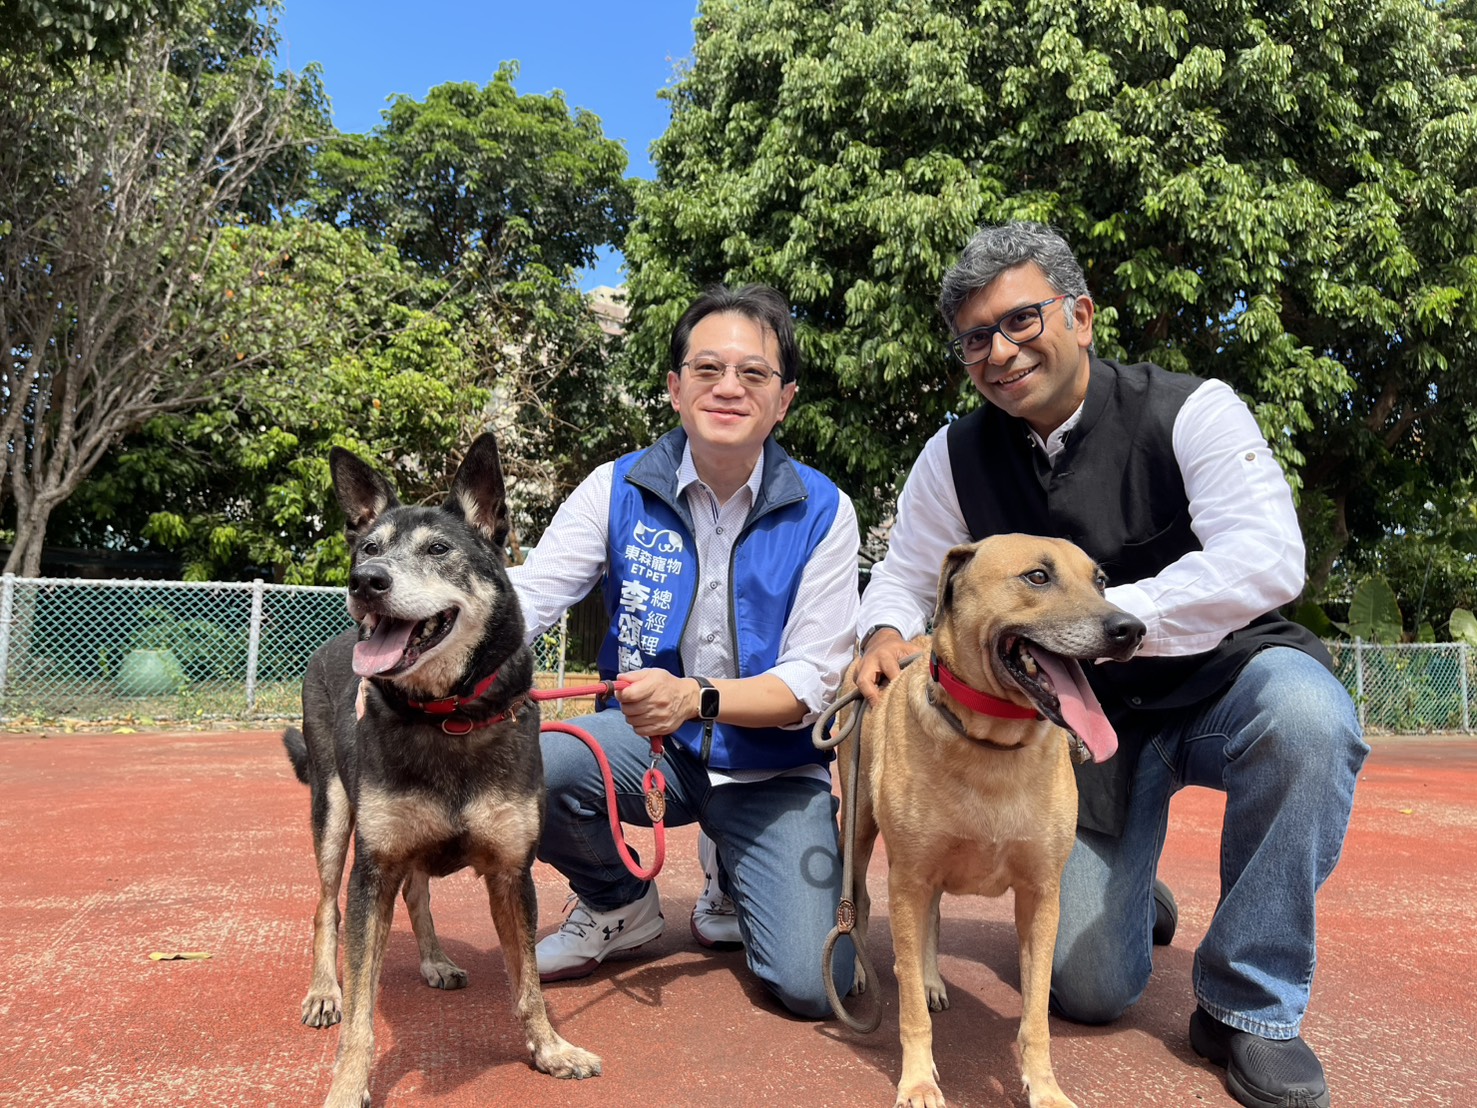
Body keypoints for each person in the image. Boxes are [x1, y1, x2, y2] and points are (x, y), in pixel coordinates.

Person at [854, 222, 1367, 1108]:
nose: (1000, 351)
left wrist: (1112, 621)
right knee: (1091, 988)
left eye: (1020, 320)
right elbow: (905, 573)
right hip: (1075, 724)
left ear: (1080, 315)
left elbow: (1270, 555)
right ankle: (1135, 894)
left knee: (1310, 720)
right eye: (975, 338)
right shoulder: (952, 454)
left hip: (1218, 687)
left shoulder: (1191, 409)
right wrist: (879, 635)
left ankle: (1248, 1006)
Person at [510, 283, 859, 1018]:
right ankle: (618, 904)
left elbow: (811, 682)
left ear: (784, 400)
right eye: (706, 369)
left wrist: (696, 698)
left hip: (774, 763)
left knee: (815, 984)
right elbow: (528, 600)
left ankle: (734, 868)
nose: (728, 388)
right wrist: (403, 659)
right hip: (651, 745)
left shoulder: (825, 509)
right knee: (528, 765)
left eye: (753, 374)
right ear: (674, 389)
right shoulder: (616, 486)